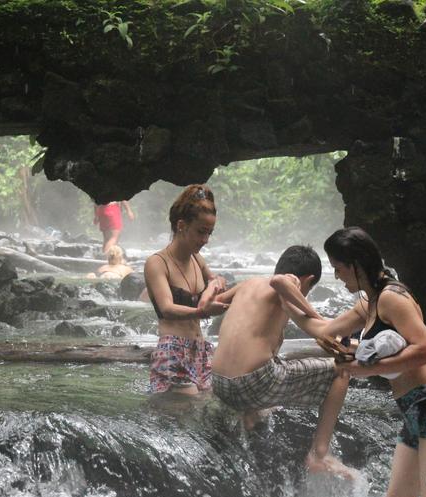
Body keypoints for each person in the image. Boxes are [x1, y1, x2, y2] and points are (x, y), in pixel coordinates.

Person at [276, 227, 426, 497]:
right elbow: (324, 329)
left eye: (339, 268)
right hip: (413, 412)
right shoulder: (369, 303)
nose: (337, 275)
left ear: (357, 265)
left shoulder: (392, 298)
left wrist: (366, 367)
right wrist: (283, 297)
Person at [210, 245, 354, 479]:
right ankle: (320, 453)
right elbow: (280, 281)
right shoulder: (289, 281)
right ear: (308, 280)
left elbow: (215, 302)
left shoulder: (248, 284)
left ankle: (250, 415)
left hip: (220, 384)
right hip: (253, 383)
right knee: (343, 370)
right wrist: (316, 317)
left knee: (273, 351)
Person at [144, 184, 227, 395]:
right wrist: (202, 311)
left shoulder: (197, 258)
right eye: (201, 232)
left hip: (201, 350)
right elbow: (166, 308)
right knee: (193, 410)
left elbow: (215, 278)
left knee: (213, 407)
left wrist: (218, 283)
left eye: (209, 233)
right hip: (172, 352)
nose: (205, 240)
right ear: (181, 225)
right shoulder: (157, 263)